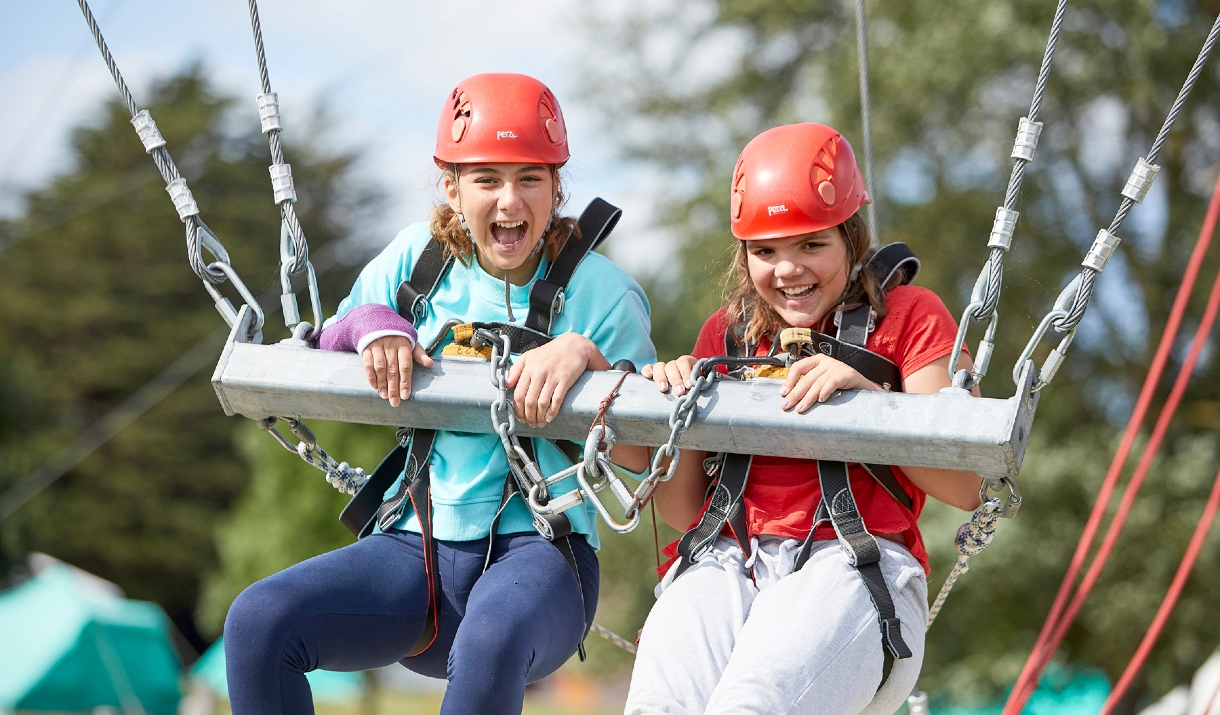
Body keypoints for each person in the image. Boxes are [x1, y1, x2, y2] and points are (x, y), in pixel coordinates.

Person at [223, 73, 655, 715]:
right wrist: (378, 329)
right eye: (486, 180)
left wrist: (589, 361)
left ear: (557, 186)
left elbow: (644, 461)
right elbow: (337, 327)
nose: (510, 202)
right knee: (258, 621)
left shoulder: (603, 294)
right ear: (451, 187)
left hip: (542, 555)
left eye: (530, 178)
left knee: (490, 640)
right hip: (414, 544)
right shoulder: (418, 264)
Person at [624, 123, 984, 715]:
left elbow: (966, 486)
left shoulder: (909, 317)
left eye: (810, 245)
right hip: (728, 561)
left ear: (850, 237)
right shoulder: (728, 334)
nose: (787, 270)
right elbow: (685, 510)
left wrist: (869, 398)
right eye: (765, 252)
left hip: (856, 565)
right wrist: (680, 408)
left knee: (750, 706)